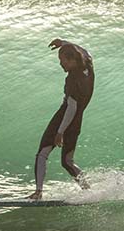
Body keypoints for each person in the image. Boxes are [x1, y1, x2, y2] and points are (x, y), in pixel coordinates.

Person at [28, 39, 95, 200]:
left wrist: (60, 132)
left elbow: (71, 108)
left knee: (42, 153)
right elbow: (84, 50)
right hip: (78, 121)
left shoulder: (73, 80)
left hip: (64, 118)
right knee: (67, 161)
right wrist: (63, 42)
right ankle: (88, 190)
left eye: (63, 61)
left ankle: (38, 192)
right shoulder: (88, 65)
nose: (61, 64)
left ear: (72, 60)